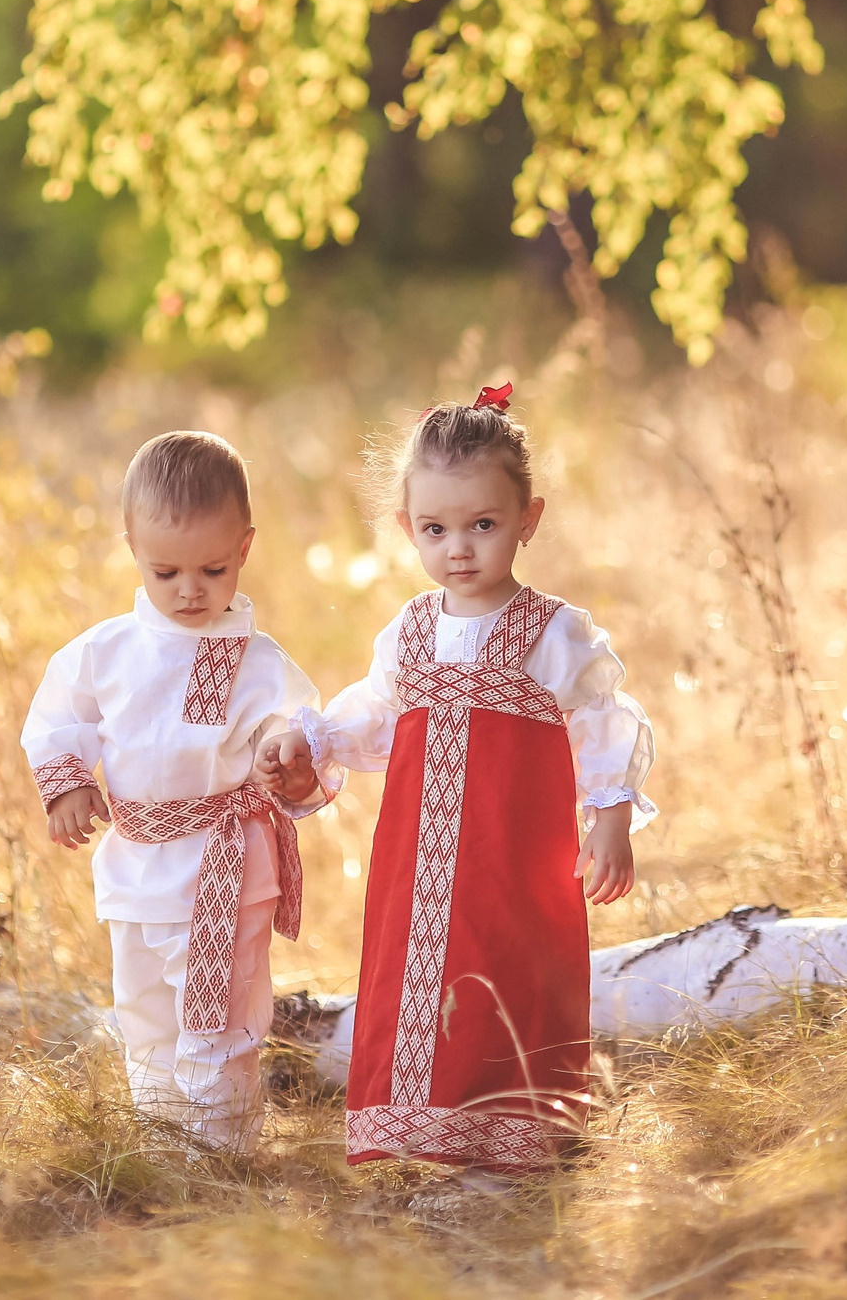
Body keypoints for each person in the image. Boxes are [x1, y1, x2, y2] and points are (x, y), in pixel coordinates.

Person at [259, 383, 654, 1177]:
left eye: (483, 524)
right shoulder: (410, 631)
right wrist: (308, 741)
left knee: (512, 967)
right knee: (417, 969)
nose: (460, 548)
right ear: (408, 527)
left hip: (513, 853)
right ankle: (420, 1130)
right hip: (420, 859)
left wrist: (609, 817)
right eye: (436, 529)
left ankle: (516, 1135)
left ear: (526, 519)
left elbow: (603, 720)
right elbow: (371, 713)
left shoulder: (554, 632)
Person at [23, 430, 327, 1150]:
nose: (190, 589)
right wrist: (68, 784)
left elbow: (296, 727)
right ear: (132, 546)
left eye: (212, 569)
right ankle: (162, 1140)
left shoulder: (257, 661)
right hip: (136, 867)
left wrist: (288, 759)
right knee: (145, 1012)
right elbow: (59, 716)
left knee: (218, 1018)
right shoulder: (105, 651)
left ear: (244, 548)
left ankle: (220, 1149)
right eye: (166, 571)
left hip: (222, 865)